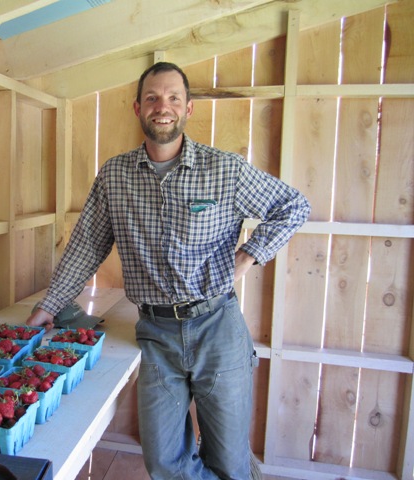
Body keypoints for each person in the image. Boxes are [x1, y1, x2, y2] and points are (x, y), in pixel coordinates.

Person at [26, 62, 311, 480]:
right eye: (153, 98)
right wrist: (50, 305)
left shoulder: (224, 170)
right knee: (164, 462)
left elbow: (294, 206)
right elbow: (88, 244)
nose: (163, 107)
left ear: (188, 108)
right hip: (156, 333)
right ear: (138, 108)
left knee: (229, 460)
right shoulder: (115, 176)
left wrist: (249, 255)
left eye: (174, 98)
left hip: (218, 328)